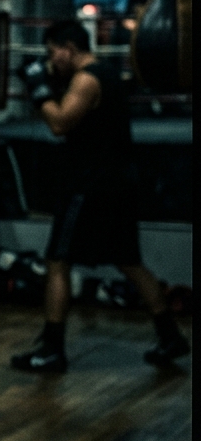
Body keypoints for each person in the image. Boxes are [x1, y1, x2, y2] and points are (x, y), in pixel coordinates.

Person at [13, 19, 189, 373]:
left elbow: (60, 122)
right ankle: (170, 335)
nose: (51, 60)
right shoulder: (106, 74)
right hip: (116, 184)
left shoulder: (87, 80)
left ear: (69, 48)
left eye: (53, 52)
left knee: (58, 260)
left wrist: (38, 88)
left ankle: (52, 348)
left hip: (89, 185)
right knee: (129, 261)